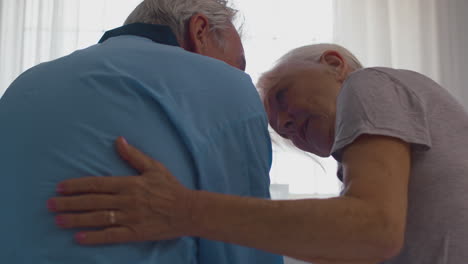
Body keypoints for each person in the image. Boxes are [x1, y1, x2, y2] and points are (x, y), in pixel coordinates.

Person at [50, 42, 468, 264]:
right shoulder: (381, 164)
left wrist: (182, 210)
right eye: (279, 127)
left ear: (334, 63)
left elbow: (373, 231)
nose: (285, 124)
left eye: (283, 96)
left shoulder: (369, 84)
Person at [0, 0, 283, 263]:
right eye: (239, 63)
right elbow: (247, 245)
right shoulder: (228, 85)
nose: (239, 73)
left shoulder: (26, 84)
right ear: (200, 31)